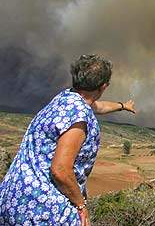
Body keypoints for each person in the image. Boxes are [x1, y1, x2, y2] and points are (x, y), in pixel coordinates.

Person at [0, 54, 136, 225]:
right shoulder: (79, 119)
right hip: (40, 209)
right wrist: (81, 204)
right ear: (103, 87)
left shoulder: (66, 98)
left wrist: (122, 106)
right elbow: (61, 170)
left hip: (13, 197)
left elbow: (97, 106)